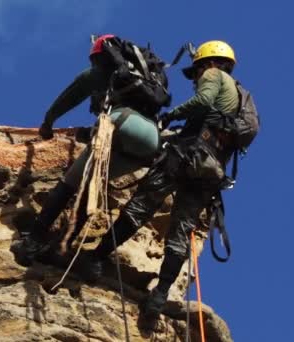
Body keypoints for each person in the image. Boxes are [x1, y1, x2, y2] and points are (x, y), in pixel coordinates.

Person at [80, 40, 244, 318]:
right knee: (180, 234)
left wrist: (171, 117)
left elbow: (203, 100)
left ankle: (96, 257)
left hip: (187, 155)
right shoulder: (237, 96)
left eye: (196, 71)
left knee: (140, 207)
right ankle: (159, 297)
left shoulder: (214, 75)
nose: (196, 78)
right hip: (210, 168)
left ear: (206, 62)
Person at [13, 34, 168, 265]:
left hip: (122, 122)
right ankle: (59, 249)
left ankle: (34, 240)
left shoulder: (102, 73)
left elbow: (68, 98)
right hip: (150, 142)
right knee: (92, 187)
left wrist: (48, 123)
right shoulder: (146, 79)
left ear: (100, 57)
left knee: (70, 184)